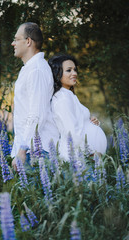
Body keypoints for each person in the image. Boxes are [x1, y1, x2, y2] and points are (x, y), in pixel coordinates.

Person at [11, 22, 59, 169]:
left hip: (37, 150)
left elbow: (37, 114)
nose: (13, 43)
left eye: (16, 39)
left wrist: (22, 151)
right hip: (30, 148)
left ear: (28, 41)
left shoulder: (36, 70)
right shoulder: (30, 68)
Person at [48, 54, 107, 161]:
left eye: (75, 70)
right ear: (57, 74)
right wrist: (90, 153)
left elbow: (78, 124)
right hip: (77, 159)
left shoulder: (69, 95)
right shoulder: (62, 98)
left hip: (84, 157)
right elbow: (72, 132)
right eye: (69, 70)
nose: (74, 73)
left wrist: (90, 123)